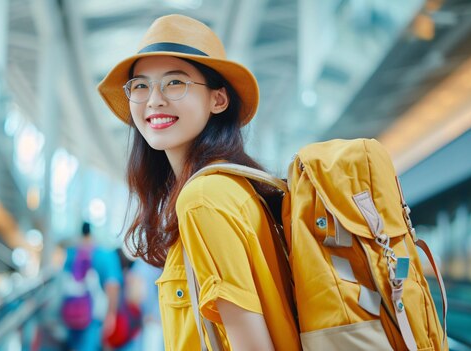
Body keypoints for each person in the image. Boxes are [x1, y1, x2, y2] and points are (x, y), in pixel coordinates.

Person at [98, 14, 300, 351]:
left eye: (175, 82)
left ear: (218, 99)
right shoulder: (233, 188)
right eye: (141, 85)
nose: (154, 99)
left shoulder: (204, 198)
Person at [61, 222, 122, 351]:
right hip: (93, 315)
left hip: (70, 313)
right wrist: (111, 315)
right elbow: (112, 286)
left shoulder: (71, 253)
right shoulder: (105, 255)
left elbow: (62, 282)